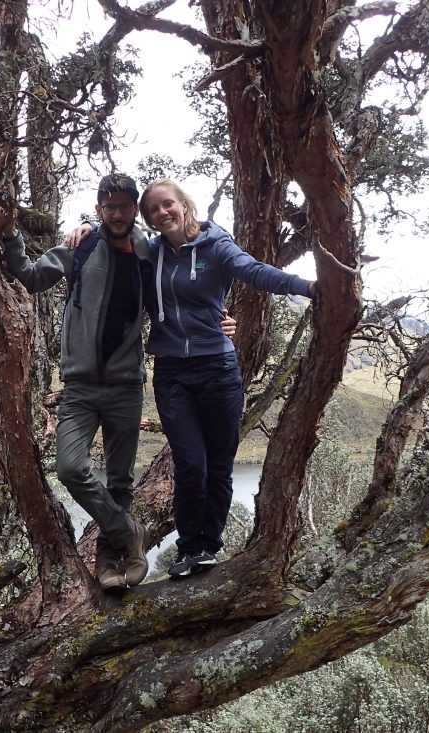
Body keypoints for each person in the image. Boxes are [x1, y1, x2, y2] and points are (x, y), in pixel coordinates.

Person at [0, 174, 235, 591]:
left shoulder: (149, 251)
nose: (119, 213)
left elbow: (183, 289)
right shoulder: (81, 246)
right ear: (99, 208)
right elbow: (31, 277)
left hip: (126, 386)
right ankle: (129, 533)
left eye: (126, 206)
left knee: (120, 480)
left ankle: (110, 562)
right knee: (70, 468)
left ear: (134, 210)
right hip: (80, 387)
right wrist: (11, 234)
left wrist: (220, 320)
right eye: (111, 207)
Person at [138, 178, 315, 578]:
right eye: (153, 210)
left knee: (218, 464)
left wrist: (308, 287)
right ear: (147, 218)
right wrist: (86, 229)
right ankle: (187, 548)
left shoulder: (216, 245)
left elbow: (254, 271)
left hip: (217, 369)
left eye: (168, 204)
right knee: (190, 465)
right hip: (171, 372)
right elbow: (112, 240)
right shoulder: (149, 253)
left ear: (184, 205)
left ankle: (208, 547)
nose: (162, 213)